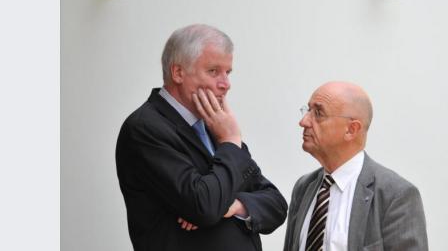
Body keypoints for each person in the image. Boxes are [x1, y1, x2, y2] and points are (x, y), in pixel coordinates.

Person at [115, 24, 287, 251]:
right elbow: (203, 206)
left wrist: (235, 205)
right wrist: (230, 141)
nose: (226, 84)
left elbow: (276, 204)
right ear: (178, 73)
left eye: (228, 72)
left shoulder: (214, 127)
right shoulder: (146, 128)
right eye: (214, 71)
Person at [283, 81, 428, 251]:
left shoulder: (395, 195)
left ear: (351, 130)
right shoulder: (304, 187)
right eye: (307, 110)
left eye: (318, 113)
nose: (304, 121)